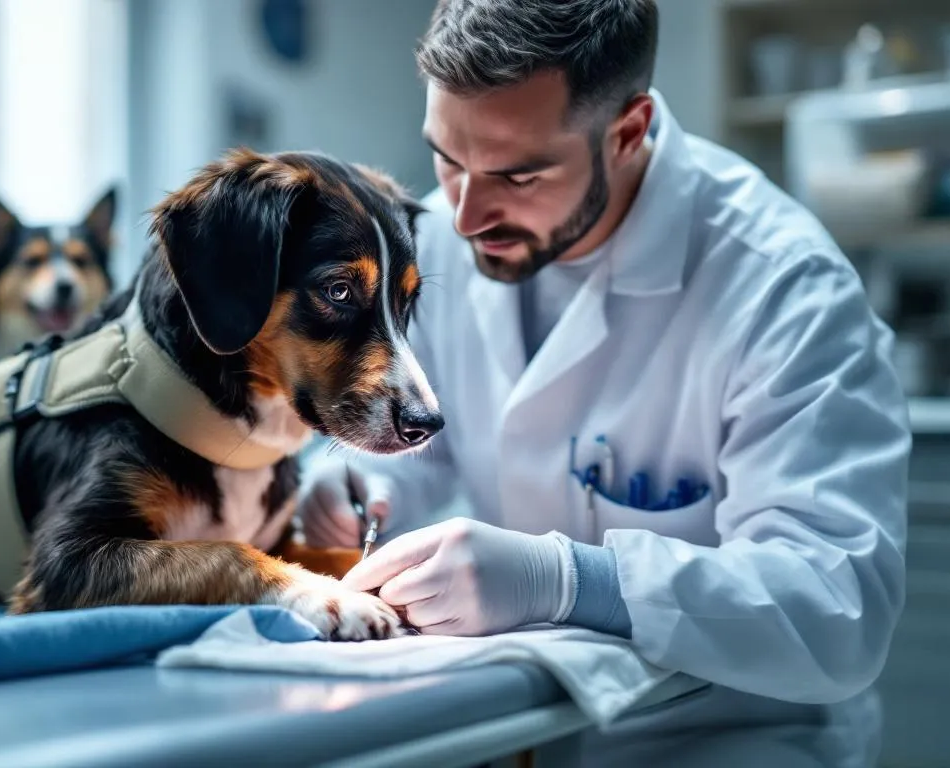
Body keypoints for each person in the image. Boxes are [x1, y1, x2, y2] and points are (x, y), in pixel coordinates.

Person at [298, 0, 911, 765]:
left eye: (517, 174)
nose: (463, 215)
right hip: (528, 726)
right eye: (446, 160)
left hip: (735, 738)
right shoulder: (446, 237)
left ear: (627, 132)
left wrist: (570, 581)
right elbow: (440, 442)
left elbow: (836, 608)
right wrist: (360, 483)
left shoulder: (783, 286)